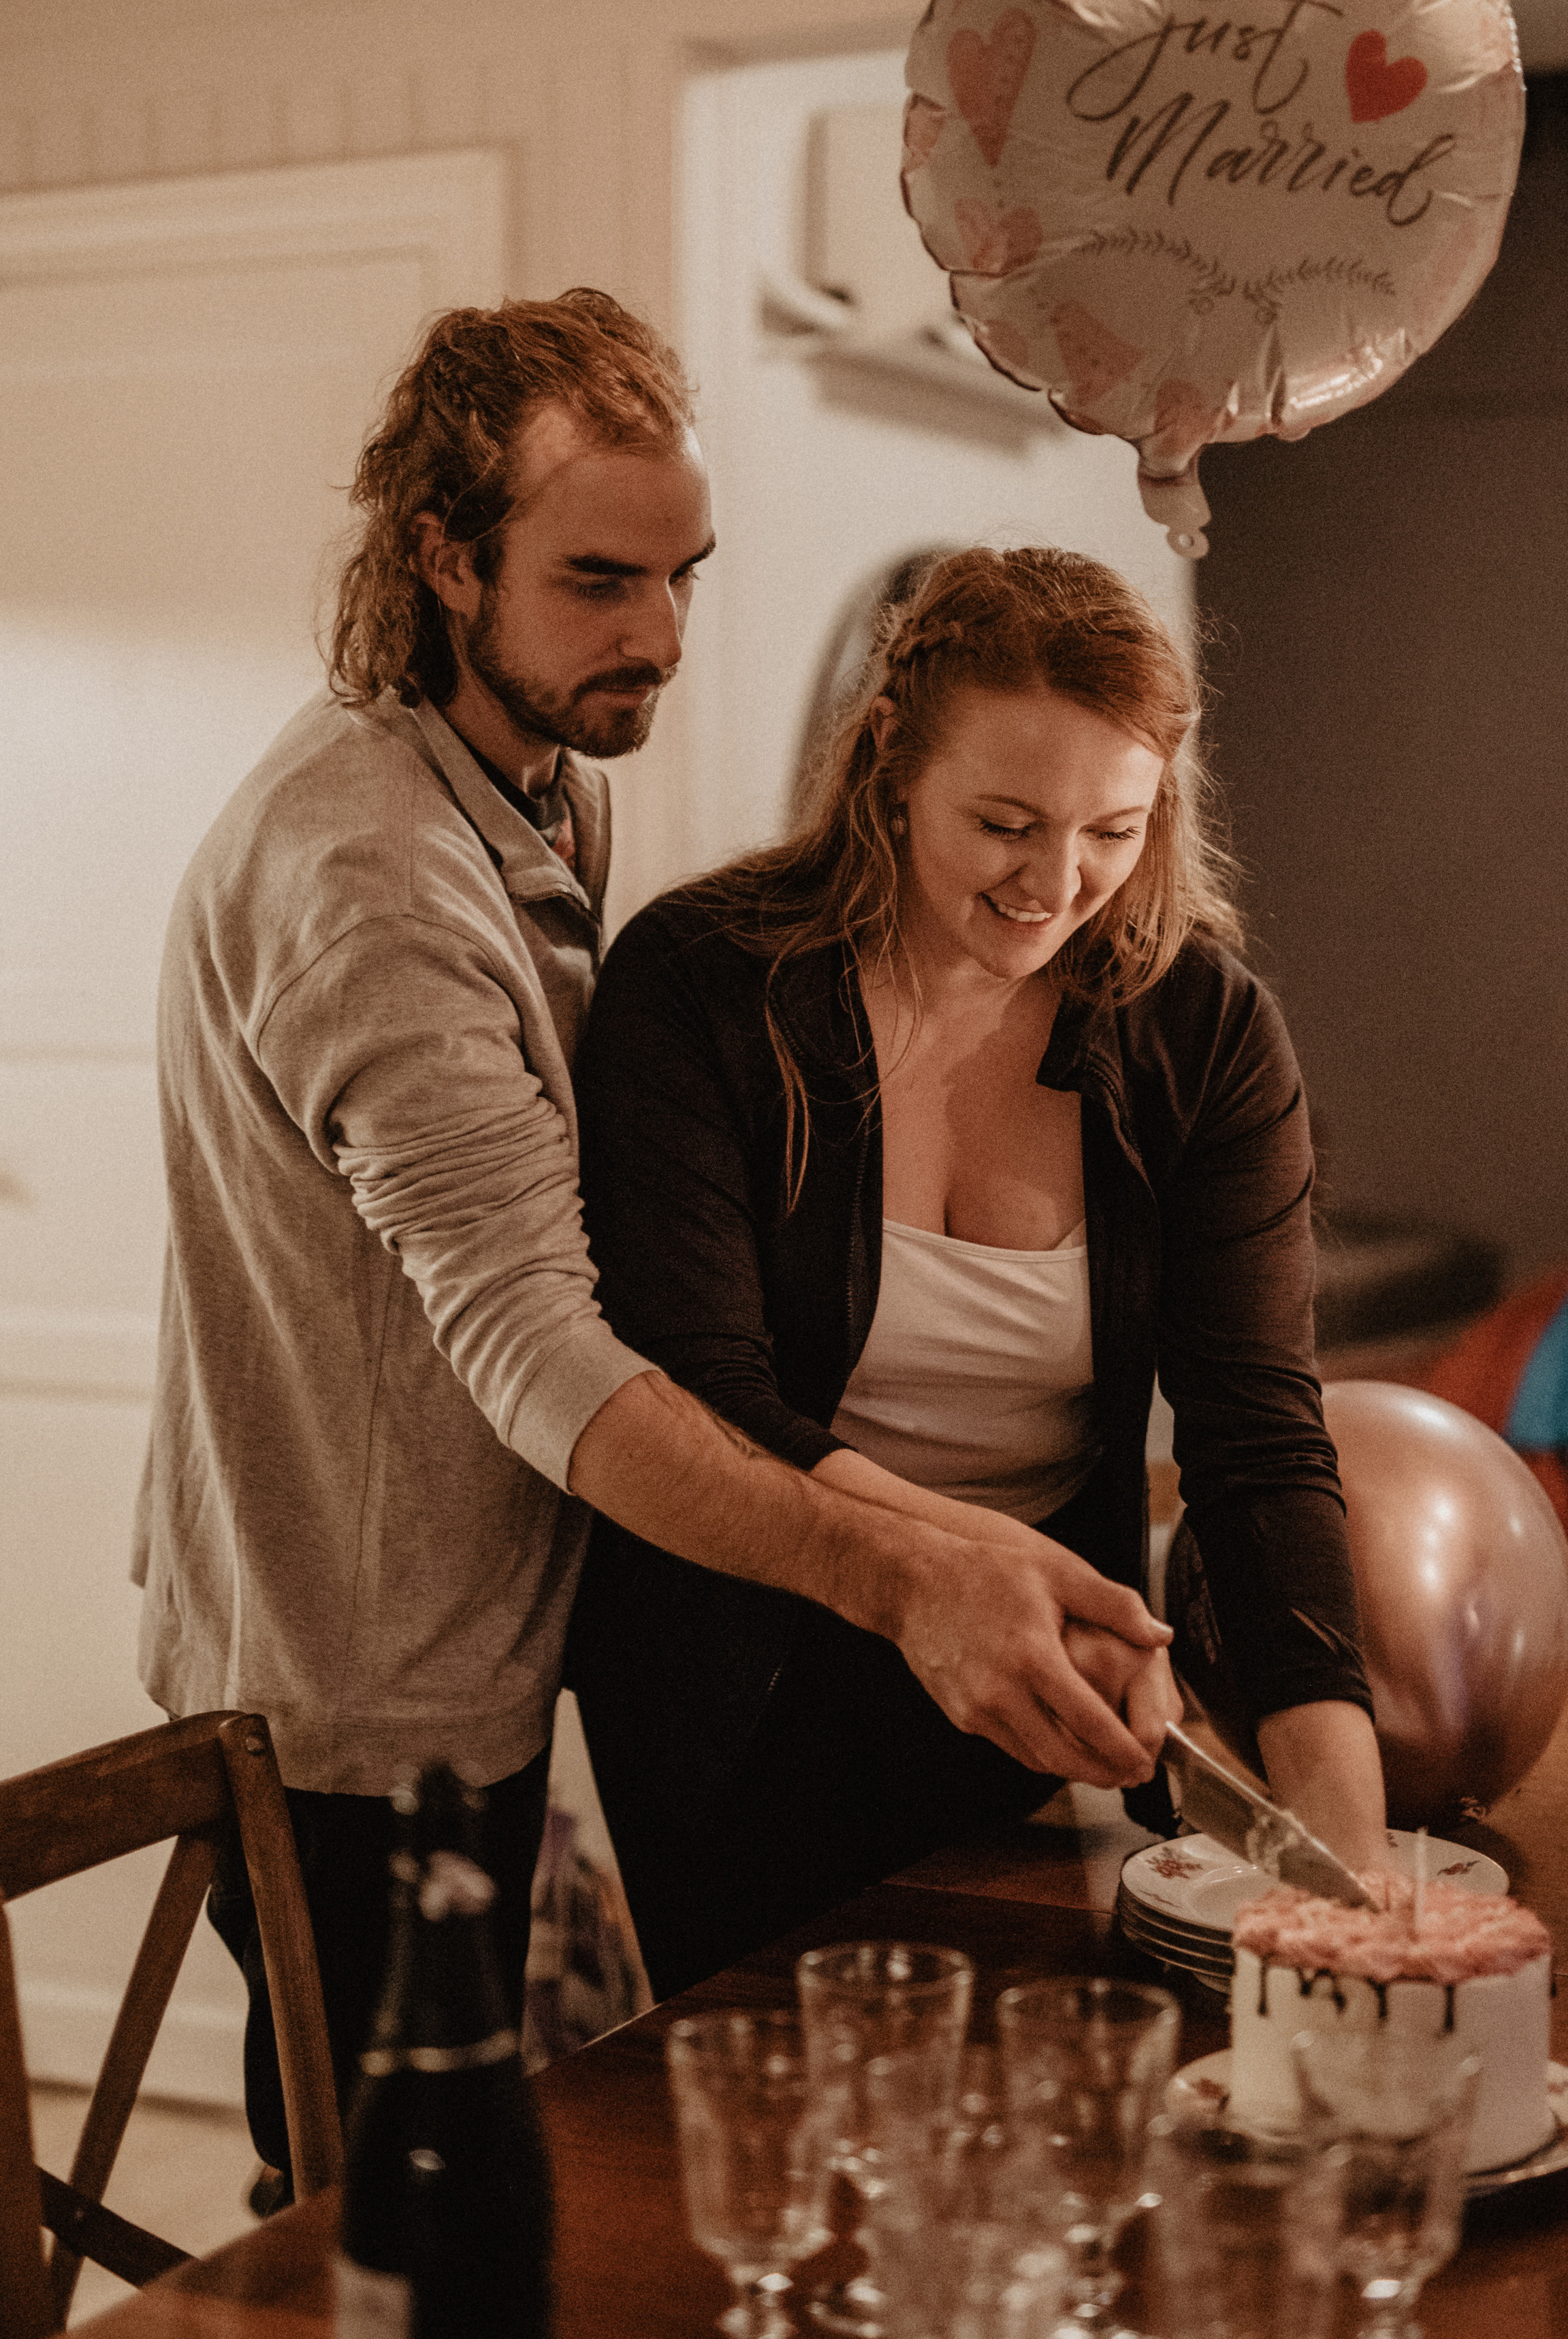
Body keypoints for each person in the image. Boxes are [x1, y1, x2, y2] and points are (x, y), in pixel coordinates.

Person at [134, 298, 1173, 2182]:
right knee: (401, 2235)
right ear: (445, 556)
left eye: (685, 573)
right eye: (599, 579)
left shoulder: (539, 788)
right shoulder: (367, 872)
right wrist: (897, 1576)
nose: (666, 637)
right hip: (366, 1694)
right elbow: (542, 1346)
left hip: (490, 1640)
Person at [567, 543, 1391, 2001]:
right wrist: (981, 1568)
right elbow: (700, 1397)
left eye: (1112, 833)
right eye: (1003, 824)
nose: (1056, 885)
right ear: (886, 765)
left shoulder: (1203, 1034)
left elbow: (1259, 1446)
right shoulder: (697, 985)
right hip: (736, 1700)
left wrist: (1348, 1859)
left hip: (1030, 1709)